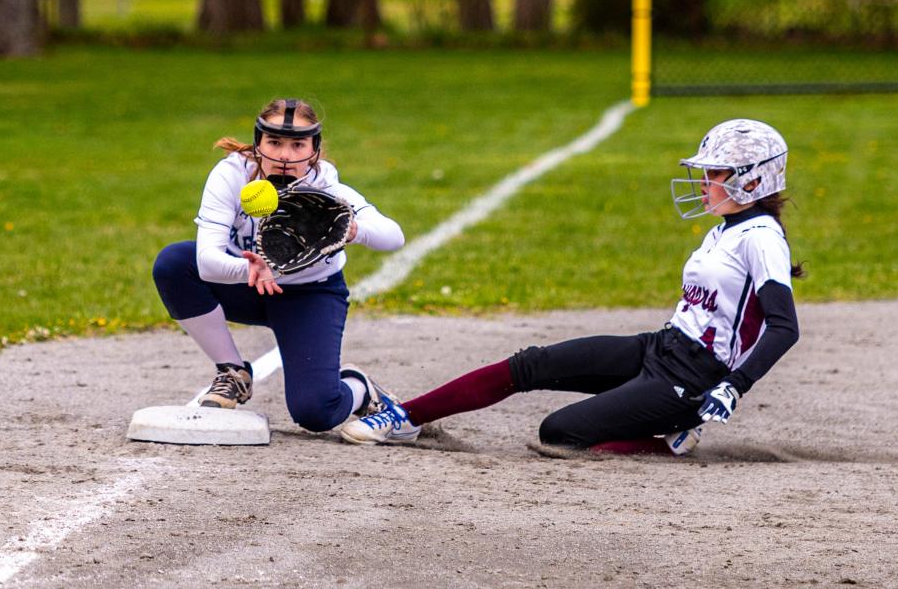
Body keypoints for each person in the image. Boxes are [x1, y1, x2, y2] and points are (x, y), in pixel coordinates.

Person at [341, 118, 802, 455]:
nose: (704, 183)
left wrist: (733, 387)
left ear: (754, 180)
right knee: (531, 365)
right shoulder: (723, 228)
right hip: (661, 348)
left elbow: (784, 327)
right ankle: (404, 418)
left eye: (716, 173)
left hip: (693, 381)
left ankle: (672, 440)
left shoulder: (761, 238)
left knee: (559, 433)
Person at [152, 98, 405, 433]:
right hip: (245, 285)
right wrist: (249, 271)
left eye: (297, 144)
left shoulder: (325, 186)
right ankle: (232, 372)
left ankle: (359, 388)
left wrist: (355, 230)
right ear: (258, 143)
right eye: (274, 142)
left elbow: (394, 237)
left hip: (309, 297)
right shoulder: (232, 175)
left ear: (314, 150)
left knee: (316, 412)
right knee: (173, 262)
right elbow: (208, 263)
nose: (285, 155)